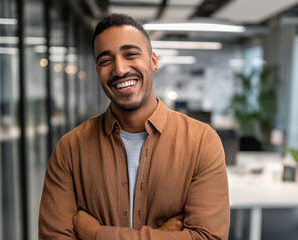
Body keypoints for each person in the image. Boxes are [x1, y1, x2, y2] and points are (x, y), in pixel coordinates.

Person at [39, 13, 229, 240]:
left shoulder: (201, 142)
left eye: (131, 54)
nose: (119, 70)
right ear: (98, 71)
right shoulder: (70, 149)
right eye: (105, 60)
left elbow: (209, 237)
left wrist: (97, 234)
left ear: (154, 61)